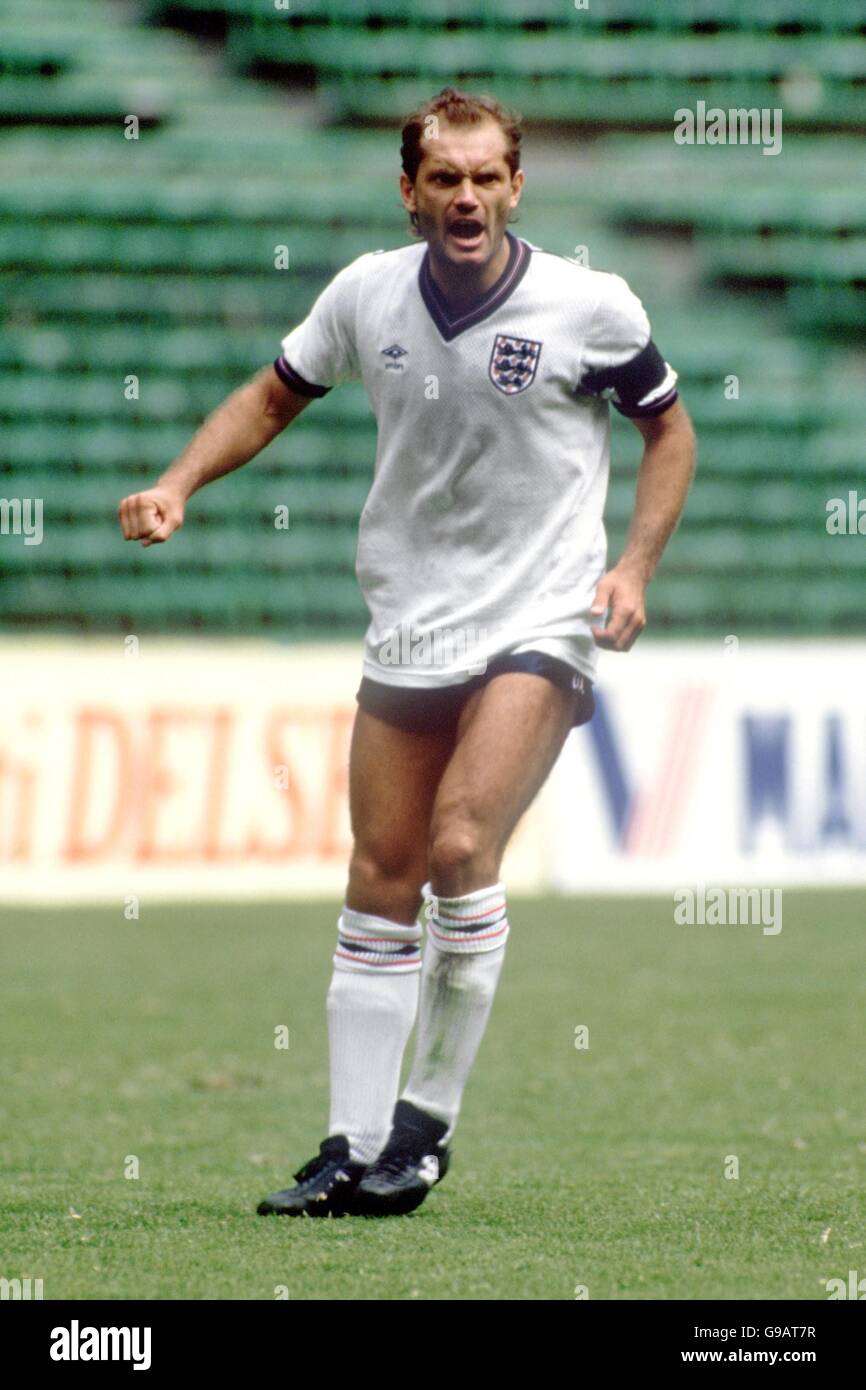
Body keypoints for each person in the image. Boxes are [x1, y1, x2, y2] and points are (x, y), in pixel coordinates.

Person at [118, 86, 696, 1218]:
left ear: (517, 185)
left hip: (540, 616)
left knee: (458, 839)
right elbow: (272, 397)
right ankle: (349, 1140)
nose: (467, 196)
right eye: (445, 178)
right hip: (410, 618)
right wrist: (179, 482)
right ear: (409, 191)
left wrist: (630, 569)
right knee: (378, 876)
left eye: (487, 177)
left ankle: (423, 1127)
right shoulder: (363, 295)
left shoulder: (590, 306)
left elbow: (666, 431)